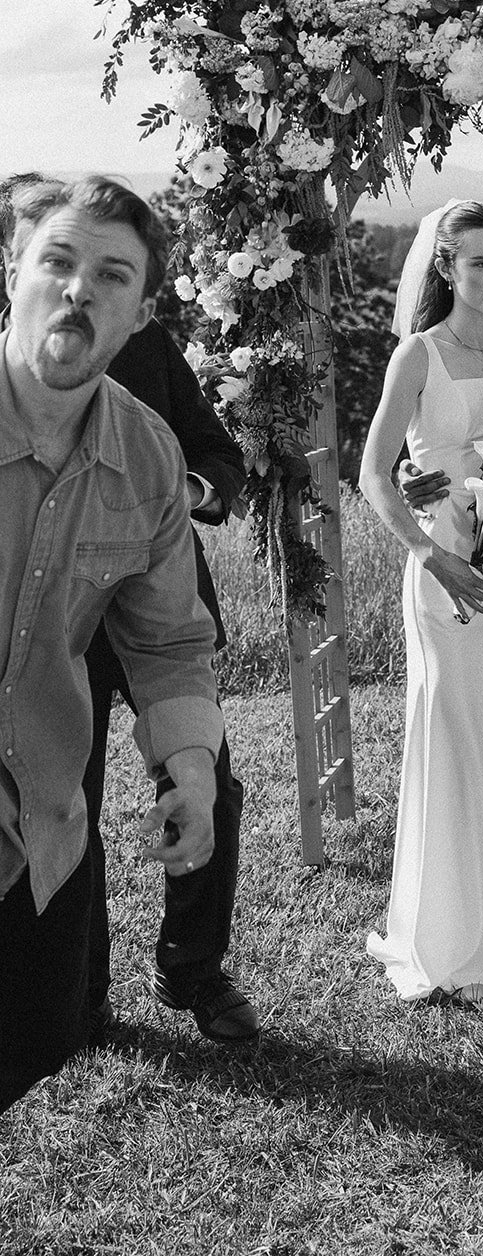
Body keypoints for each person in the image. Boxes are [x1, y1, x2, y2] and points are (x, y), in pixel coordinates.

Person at [0, 174, 224, 1112]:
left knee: (32, 1044)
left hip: (38, 824)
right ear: (12, 274)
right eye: (57, 260)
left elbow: (169, 637)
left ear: (139, 317)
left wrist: (195, 770)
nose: (79, 289)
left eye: (111, 276)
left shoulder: (150, 455)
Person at [358, 200, 483, 1001]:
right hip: (442, 563)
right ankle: (443, 932)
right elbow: (373, 474)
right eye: (480, 263)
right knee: (451, 732)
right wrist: (428, 554)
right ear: (444, 268)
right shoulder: (418, 354)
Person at [82, 317, 258, 1044]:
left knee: (206, 779)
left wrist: (184, 489)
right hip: (63, 625)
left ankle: (193, 970)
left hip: (163, 600)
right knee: (63, 798)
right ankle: (79, 990)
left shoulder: (144, 341)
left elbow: (219, 454)